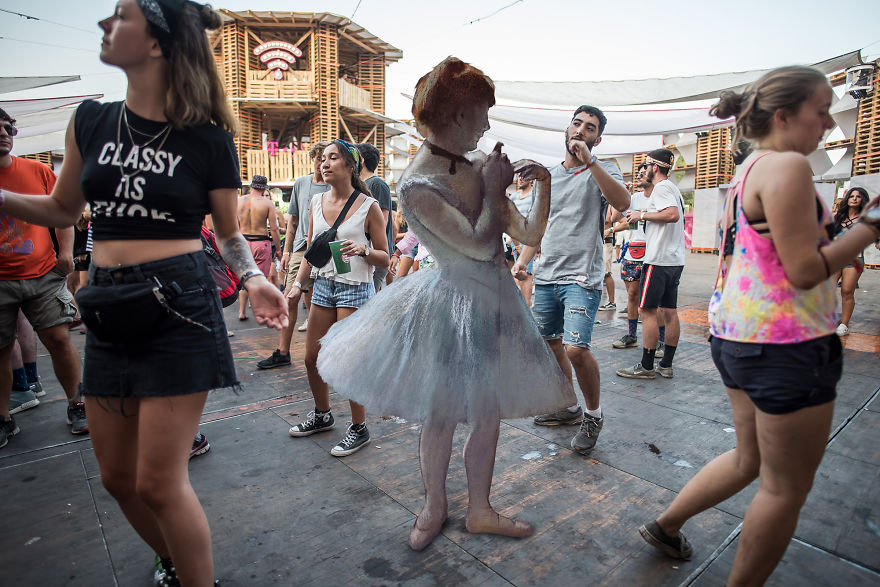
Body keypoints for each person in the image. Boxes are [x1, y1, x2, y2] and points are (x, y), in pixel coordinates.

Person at [0, 2, 288, 584]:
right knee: (116, 478)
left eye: (121, 16)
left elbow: (228, 233)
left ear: (156, 42)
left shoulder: (208, 138)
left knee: (159, 481)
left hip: (179, 306)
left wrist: (255, 278)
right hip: (107, 304)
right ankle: (172, 560)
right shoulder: (91, 120)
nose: (106, 26)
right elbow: (63, 207)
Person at [315, 57, 576, 551]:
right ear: (457, 116)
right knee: (441, 413)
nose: (487, 124)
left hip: (496, 303)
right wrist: (497, 190)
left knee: (488, 411)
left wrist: (541, 185)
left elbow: (527, 233)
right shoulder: (415, 184)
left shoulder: (478, 164)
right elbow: (478, 246)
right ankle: (434, 505)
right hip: (450, 304)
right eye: (481, 113)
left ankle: (480, 508)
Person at [638, 66, 880, 585]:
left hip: (738, 336)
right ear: (785, 115)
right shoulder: (790, 168)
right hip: (787, 345)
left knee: (749, 459)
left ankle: (667, 524)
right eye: (821, 111)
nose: (828, 125)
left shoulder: (748, 171)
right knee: (783, 488)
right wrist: (870, 230)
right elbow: (807, 269)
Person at [512, 105, 630, 454]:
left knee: (576, 348)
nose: (581, 130)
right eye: (577, 124)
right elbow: (539, 226)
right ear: (566, 130)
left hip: (582, 276)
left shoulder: (603, 169)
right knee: (550, 346)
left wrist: (591, 162)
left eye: (590, 127)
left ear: (598, 138)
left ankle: (593, 415)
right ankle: (568, 406)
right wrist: (522, 262)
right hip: (547, 277)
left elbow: (622, 202)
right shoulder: (547, 176)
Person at [286, 139, 389, 457]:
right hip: (324, 285)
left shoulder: (368, 206)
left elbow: (385, 257)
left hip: (355, 288)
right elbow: (312, 251)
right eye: (323, 159)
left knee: (347, 359)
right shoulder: (315, 204)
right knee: (311, 358)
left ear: (350, 166)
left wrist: (365, 250)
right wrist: (297, 283)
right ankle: (322, 414)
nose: (324, 163)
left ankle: (359, 428)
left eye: (333, 158)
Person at [0, 107, 86, 443]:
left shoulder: (36, 171)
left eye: (8, 128)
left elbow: (64, 212)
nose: (4, 134)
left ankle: (77, 403)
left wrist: (65, 254)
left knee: (60, 339)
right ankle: (4, 417)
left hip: (42, 274)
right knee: (2, 350)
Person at [256, 142, 330, 369]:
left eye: (326, 159)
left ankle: (326, 353)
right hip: (300, 248)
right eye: (318, 159)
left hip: (326, 249)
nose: (322, 164)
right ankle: (283, 351)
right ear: (312, 159)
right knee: (290, 297)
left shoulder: (333, 185)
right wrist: (286, 251)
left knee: (323, 301)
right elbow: (292, 223)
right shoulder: (301, 183)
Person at [617, 148, 685, 379]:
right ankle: (665, 365)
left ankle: (646, 367)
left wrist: (642, 216)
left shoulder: (663, 187)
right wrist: (644, 212)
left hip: (658, 260)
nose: (643, 171)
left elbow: (672, 215)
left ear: (654, 167)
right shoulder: (673, 188)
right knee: (670, 311)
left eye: (645, 166)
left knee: (647, 311)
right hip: (674, 260)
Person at [611, 163, 650, 349]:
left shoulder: (659, 197)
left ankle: (658, 341)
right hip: (633, 251)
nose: (640, 176)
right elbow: (615, 217)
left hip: (652, 253)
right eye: (638, 174)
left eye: (644, 173)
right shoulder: (633, 198)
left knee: (651, 301)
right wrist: (624, 197)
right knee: (632, 295)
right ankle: (632, 335)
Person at [236, 174, 281, 320]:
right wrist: (279, 249)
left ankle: (242, 312)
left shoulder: (238, 201)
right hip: (261, 243)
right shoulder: (267, 203)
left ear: (251, 186)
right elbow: (274, 229)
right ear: (264, 189)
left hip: (243, 243)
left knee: (245, 279)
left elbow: (234, 225)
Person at [832, 186, 870, 336]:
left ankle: (844, 325)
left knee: (847, 290)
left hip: (855, 259)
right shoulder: (837, 217)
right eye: (852, 196)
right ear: (847, 199)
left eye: (858, 196)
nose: (854, 198)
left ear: (862, 200)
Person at [357, 142, 394, 292]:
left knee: (367, 300)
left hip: (375, 253)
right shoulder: (360, 184)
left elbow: (383, 221)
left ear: (362, 160)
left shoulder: (377, 184)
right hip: (363, 252)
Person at [508, 174, 534, 305]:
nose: (520, 179)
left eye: (525, 176)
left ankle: (527, 305)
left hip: (529, 240)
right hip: (515, 240)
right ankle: (521, 307)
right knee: (517, 273)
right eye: (519, 176)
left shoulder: (534, 196)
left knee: (526, 274)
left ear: (531, 180)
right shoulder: (514, 197)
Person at [599, 206, 617, 311]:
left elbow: (625, 223)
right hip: (595, 243)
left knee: (607, 273)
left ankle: (612, 302)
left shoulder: (610, 207)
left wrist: (609, 230)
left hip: (606, 243)